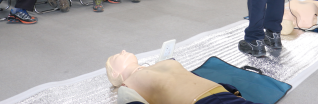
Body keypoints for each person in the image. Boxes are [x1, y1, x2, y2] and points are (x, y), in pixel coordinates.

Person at [106, 50, 263, 104]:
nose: (123, 50)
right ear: (115, 73)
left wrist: (229, 91)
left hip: (225, 96)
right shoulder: (127, 87)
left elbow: (190, 78)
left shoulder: (161, 65)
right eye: (117, 56)